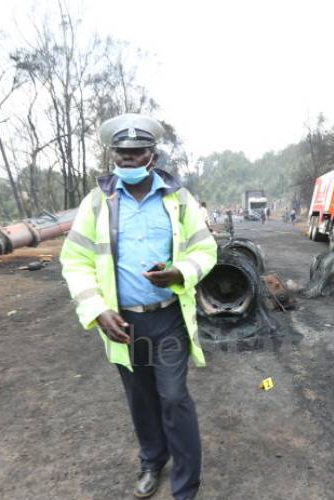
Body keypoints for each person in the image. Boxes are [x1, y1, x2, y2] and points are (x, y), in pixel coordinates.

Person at [60, 113, 217, 500]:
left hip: (168, 320)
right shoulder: (97, 203)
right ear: (113, 154)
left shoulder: (178, 199)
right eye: (121, 152)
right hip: (123, 324)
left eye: (137, 152)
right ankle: (152, 460)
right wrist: (97, 310)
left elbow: (205, 248)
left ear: (153, 155)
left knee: (174, 397)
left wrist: (180, 272)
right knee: (141, 398)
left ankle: (186, 486)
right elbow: (75, 260)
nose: (128, 159)